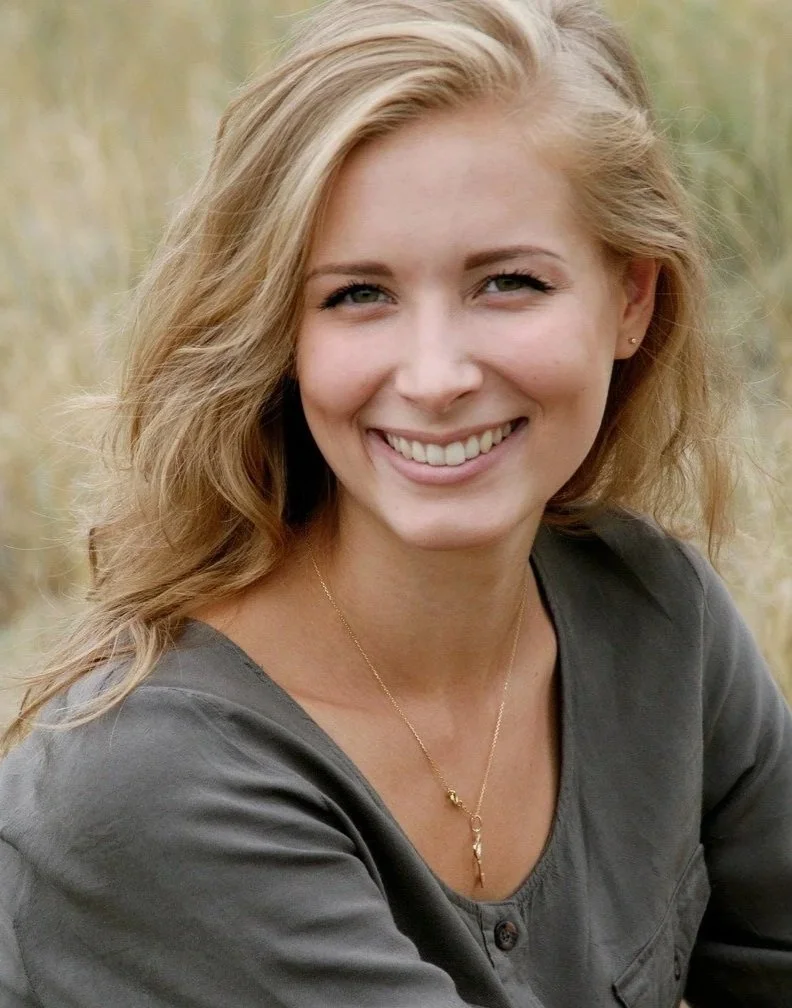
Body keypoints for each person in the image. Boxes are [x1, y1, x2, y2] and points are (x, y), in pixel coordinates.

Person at [1, 0, 790, 1004]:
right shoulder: (149, 785)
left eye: (508, 283)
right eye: (358, 295)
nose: (434, 376)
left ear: (631, 298)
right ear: (279, 333)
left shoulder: (652, 615)